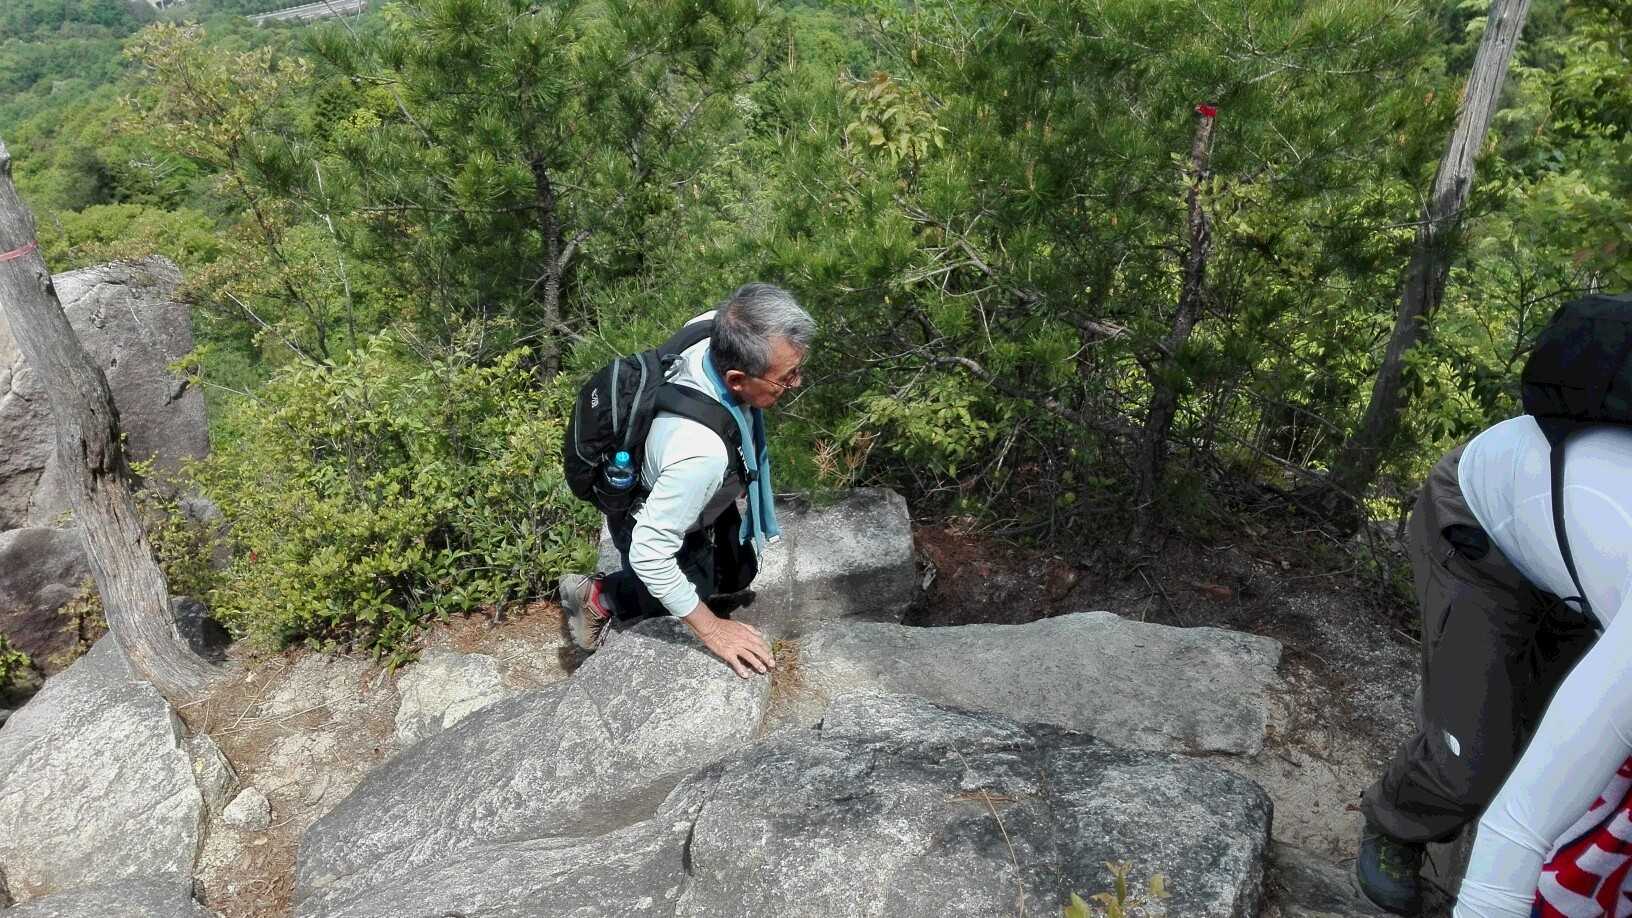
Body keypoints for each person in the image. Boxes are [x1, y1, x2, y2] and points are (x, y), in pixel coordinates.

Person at [1355, 414, 1632, 915]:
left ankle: (1465, 698)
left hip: (1569, 571)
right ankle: (1395, 820)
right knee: (1477, 765)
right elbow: (1521, 824)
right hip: (1481, 525)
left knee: (1538, 741)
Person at [558, 283, 815, 680]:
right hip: (643, 510)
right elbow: (650, 552)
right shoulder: (700, 454)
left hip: (681, 483)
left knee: (737, 570)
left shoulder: (714, 329)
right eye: (786, 377)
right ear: (736, 380)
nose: (796, 383)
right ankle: (599, 597)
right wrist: (713, 630)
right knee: (682, 595)